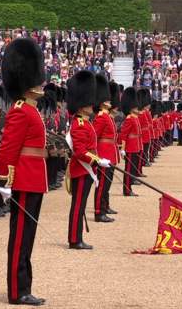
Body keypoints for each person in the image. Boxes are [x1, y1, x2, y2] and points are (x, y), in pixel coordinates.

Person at [0, 38, 48, 306]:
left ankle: (24, 286)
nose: (41, 82)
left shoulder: (31, 111)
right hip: (24, 181)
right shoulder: (20, 111)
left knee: (27, 237)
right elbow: (7, 150)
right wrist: (4, 181)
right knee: (20, 238)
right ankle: (17, 290)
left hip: (34, 180)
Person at [65, 70, 111, 250]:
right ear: (81, 104)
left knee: (80, 204)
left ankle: (76, 237)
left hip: (85, 168)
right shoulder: (79, 124)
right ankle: (74, 239)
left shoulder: (86, 122)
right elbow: (80, 151)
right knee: (78, 205)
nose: (92, 104)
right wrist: (97, 161)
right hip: (81, 169)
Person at [92, 75, 118, 223]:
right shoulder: (101, 117)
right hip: (103, 154)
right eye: (106, 99)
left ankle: (104, 206)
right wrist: (98, 157)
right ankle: (98, 211)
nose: (109, 101)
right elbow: (94, 137)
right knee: (101, 185)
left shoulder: (107, 116)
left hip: (110, 153)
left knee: (106, 184)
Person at [118, 87, 141, 197]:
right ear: (131, 107)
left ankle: (129, 186)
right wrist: (122, 149)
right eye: (135, 107)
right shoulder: (129, 118)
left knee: (132, 169)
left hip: (135, 145)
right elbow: (124, 134)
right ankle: (126, 190)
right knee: (128, 169)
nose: (137, 108)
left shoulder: (135, 118)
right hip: (130, 147)